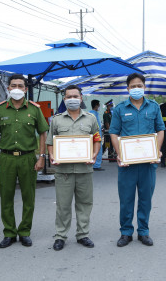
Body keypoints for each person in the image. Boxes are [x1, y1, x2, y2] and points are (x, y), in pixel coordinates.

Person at [0, 74, 49, 248]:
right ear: (8, 88)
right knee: (6, 197)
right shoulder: (0, 109)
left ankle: (24, 231)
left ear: (25, 89)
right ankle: (9, 232)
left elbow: (43, 133)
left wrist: (41, 157)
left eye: (20, 86)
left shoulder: (34, 109)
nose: (17, 89)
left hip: (28, 158)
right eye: (13, 85)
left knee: (29, 197)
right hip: (6, 158)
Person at [109, 73, 165, 247]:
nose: (136, 89)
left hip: (148, 163)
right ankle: (126, 232)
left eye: (139, 85)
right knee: (126, 199)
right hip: (127, 164)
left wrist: (156, 151)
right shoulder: (119, 109)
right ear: (127, 88)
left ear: (144, 87)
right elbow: (114, 132)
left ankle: (143, 231)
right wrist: (120, 153)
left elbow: (160, 129)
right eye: (133, 86)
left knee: (145, 198)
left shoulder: (154, 107)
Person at [47, 85, 101, 251]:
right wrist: (52, 156)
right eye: (69, 97)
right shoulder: (56, 120)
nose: (72, 99)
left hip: (84, 170)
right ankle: (60, 236)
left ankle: (83, 234)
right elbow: (50, 142)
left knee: (84, 203)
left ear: (81, 98)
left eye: (75, 96)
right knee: (63, 205)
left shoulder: (91, 118)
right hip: (63, 171)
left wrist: (93, 154)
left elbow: (97, 139)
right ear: (64, 99)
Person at [89, 99, 104, 171]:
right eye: (99, 105)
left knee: (95, 149)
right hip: (96, 135)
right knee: (97, 149)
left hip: (97, 135)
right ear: (96, 105)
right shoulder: (93, 114)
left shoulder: (94, 113)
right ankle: (96, 165)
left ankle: (95, 164)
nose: (99, 107)